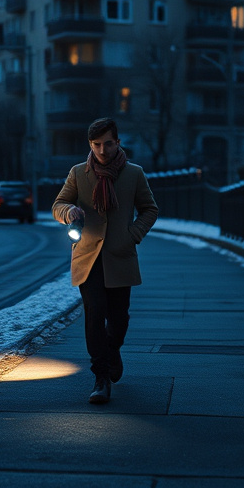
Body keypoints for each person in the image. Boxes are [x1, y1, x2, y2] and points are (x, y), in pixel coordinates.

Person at [52, 116, 159, 405]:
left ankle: (113, 352)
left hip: (120, 255)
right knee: (94, 315)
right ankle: (100, 378)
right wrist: (69, 211)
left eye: (108, 144)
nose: (102, 150)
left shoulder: (133, 173)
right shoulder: (78, 173)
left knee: (119, 318)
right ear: (90, 144)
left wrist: (131, 235)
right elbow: (57, 205)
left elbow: (150, 209)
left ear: (117, 142)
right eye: (97, 145)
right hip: (88, 257)